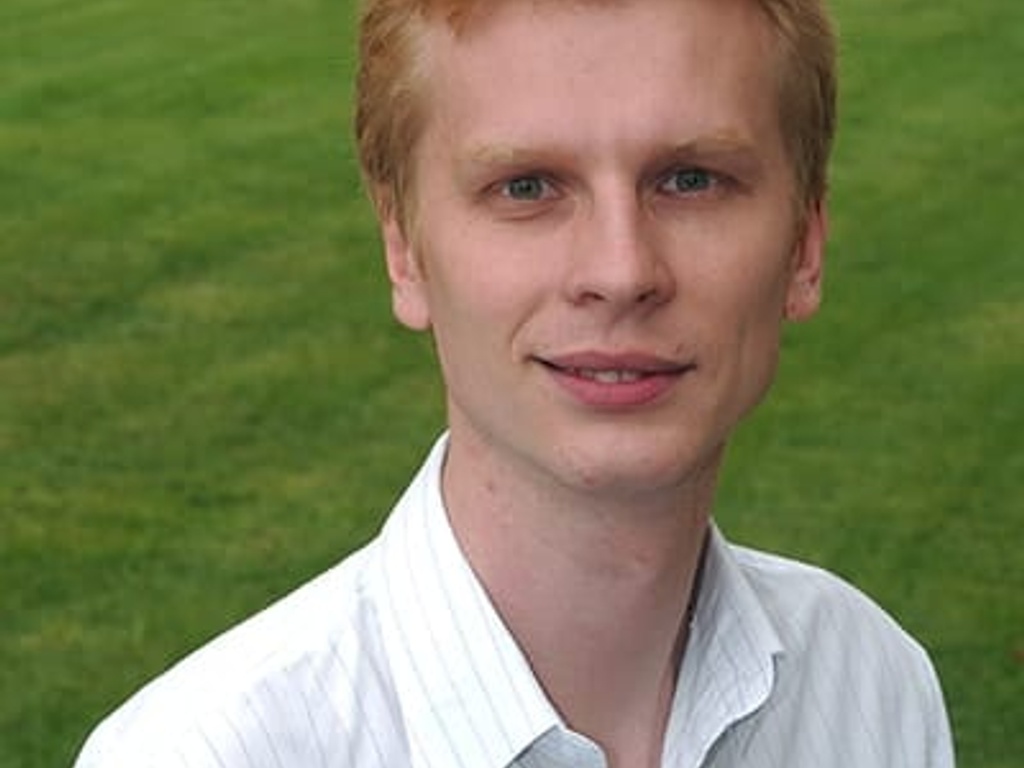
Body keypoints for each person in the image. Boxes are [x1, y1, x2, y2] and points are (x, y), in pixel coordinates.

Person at [74, 0, 956, 765]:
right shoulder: (203, 753)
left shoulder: (872, 687)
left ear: (804, 242)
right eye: (526, 186)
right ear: (404, 249)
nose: (621, 270)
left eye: (691, 180)